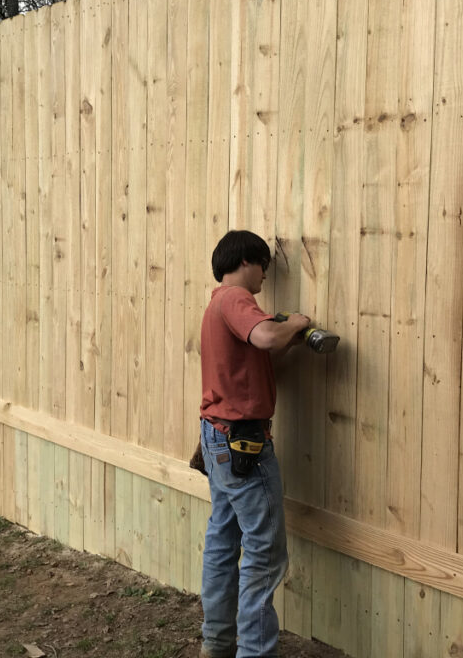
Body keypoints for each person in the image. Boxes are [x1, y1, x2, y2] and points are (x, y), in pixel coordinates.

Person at [199, 230, 311, 658]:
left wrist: (285, 338)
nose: (265, 276)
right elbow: (264, 338)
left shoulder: (217, 306)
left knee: (224, 540)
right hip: (245, 445)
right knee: (264, 554)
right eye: (264, 266)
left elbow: (259, 353)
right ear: (247, 261)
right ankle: (255, 653)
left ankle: (218, 643)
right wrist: (296, 323)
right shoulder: (235, 299)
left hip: (218, 439)